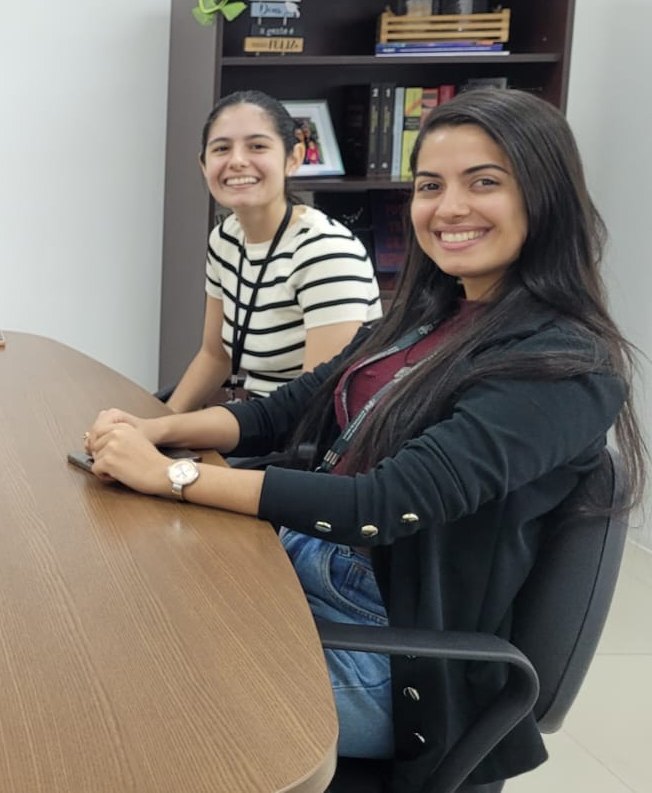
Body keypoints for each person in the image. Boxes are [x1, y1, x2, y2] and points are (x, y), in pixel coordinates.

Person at [83, 89, 643, 788]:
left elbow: (381, 504)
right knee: (104, 609)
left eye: (484, 183)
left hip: (387, 652)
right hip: (307, 569)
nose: (449, 208)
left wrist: (174, 476)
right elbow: (283, 410)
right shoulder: (428, 315)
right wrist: (154, 428)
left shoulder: (564, 365)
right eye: (431, 186)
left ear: (545, 196)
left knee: (124, 692)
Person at [166, 91, 381, 413]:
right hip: (254, 419)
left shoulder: (327, 252)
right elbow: (215, 356)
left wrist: (170, 430)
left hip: (310, 431)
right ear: (203, 164)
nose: (237, 160)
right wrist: (159, 424)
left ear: (293, 158)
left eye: (257, 146)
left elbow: (315, 401)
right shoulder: (225, 238)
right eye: (221, 148)